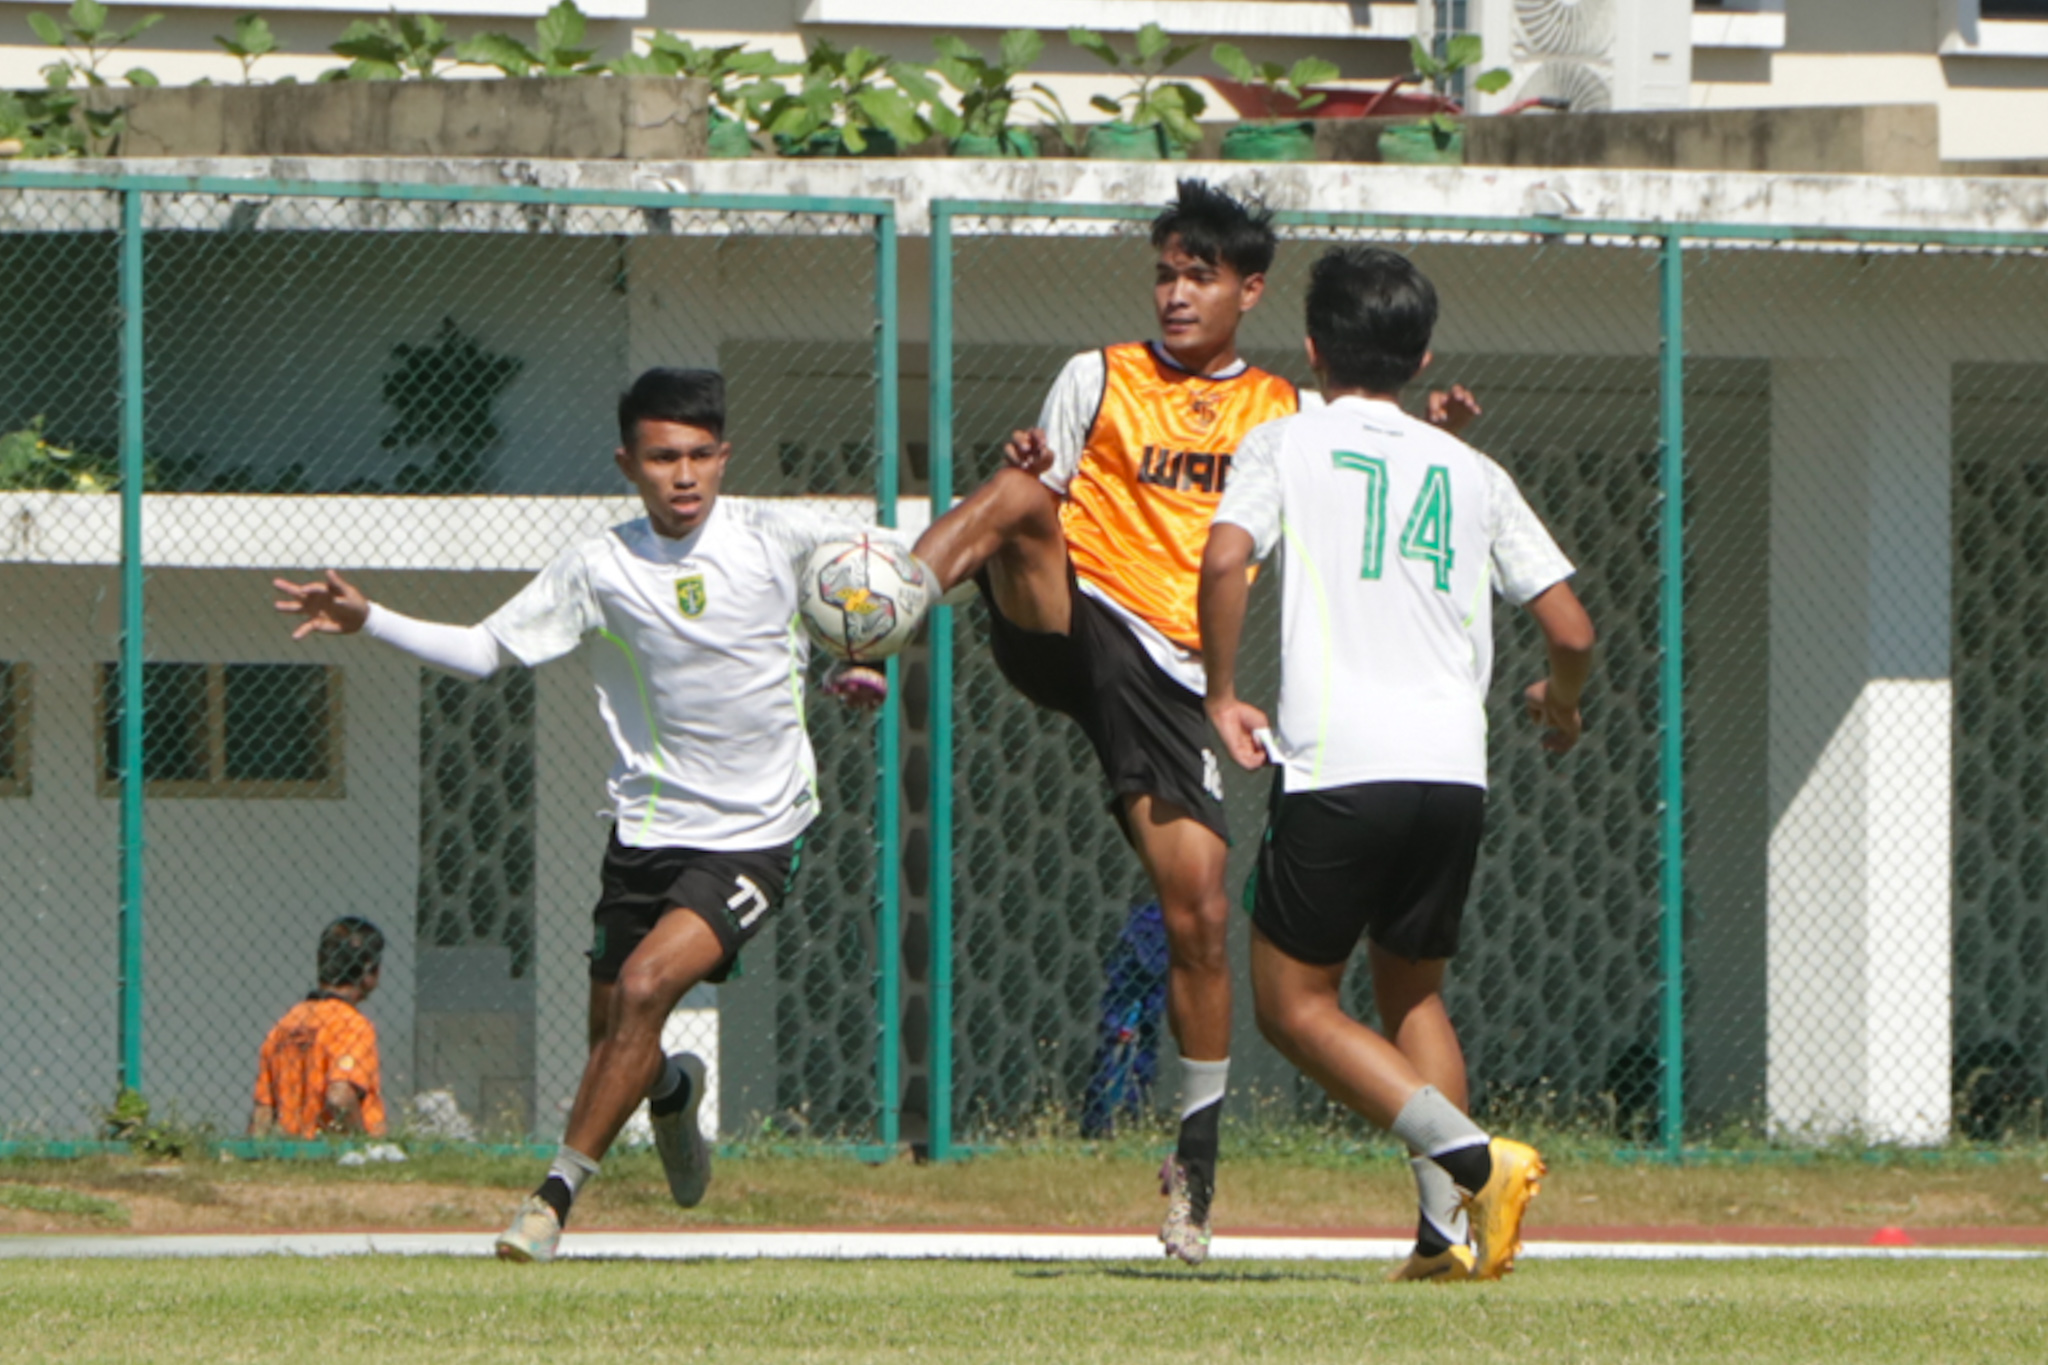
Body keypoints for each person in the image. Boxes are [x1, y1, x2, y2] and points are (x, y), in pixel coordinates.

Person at [912, 180, 1478, 1265]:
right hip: (1075, 627)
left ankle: (1193, 1176)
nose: (1175, 294)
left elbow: (1366, 452)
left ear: (1248, 291)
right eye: (1164, 273)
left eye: (1198, 276)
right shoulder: (1098, 374)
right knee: (1019, 500)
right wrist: (1030, 469)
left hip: (1169, 685)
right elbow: (1045, 483)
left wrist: (1430, 428)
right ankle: (879, 620)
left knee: (1202, 919)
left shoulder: (1284, 408)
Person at [272, 368, 911, 1263]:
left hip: (759, 834)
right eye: (661, 457)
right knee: (618, 1041)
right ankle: (674, 1096)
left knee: (648, 988)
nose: (682, 475)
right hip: (645, 835)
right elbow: (487, 650)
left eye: (698, 455)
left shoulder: (783, 534)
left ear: (723, 456)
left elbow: (911, 565)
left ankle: (550, 1199)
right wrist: (369, 616)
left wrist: (1016, 498)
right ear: (628, 462)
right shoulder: (599, 565)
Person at [1197, 244, 1596, 1282]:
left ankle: (1473, 1160)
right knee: (1411, 998)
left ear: (1311, 346)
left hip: (1340, 764)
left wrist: (1220, 694)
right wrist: (1561, 702)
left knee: (1291, 1006)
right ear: (1421, 355)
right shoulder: (1470, 469)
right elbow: (1572, 629)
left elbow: (1226, 556)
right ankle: (1444, 1238)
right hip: (1451, 775)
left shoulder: (1284, 441)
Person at [250, 916, 387, 1139]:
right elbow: (340, 1096)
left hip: (294, 1157)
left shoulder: (285, 1025)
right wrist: (365, 1149)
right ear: (369, 971)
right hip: (336, 1158)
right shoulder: (352, 1025)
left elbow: (263, 1112)